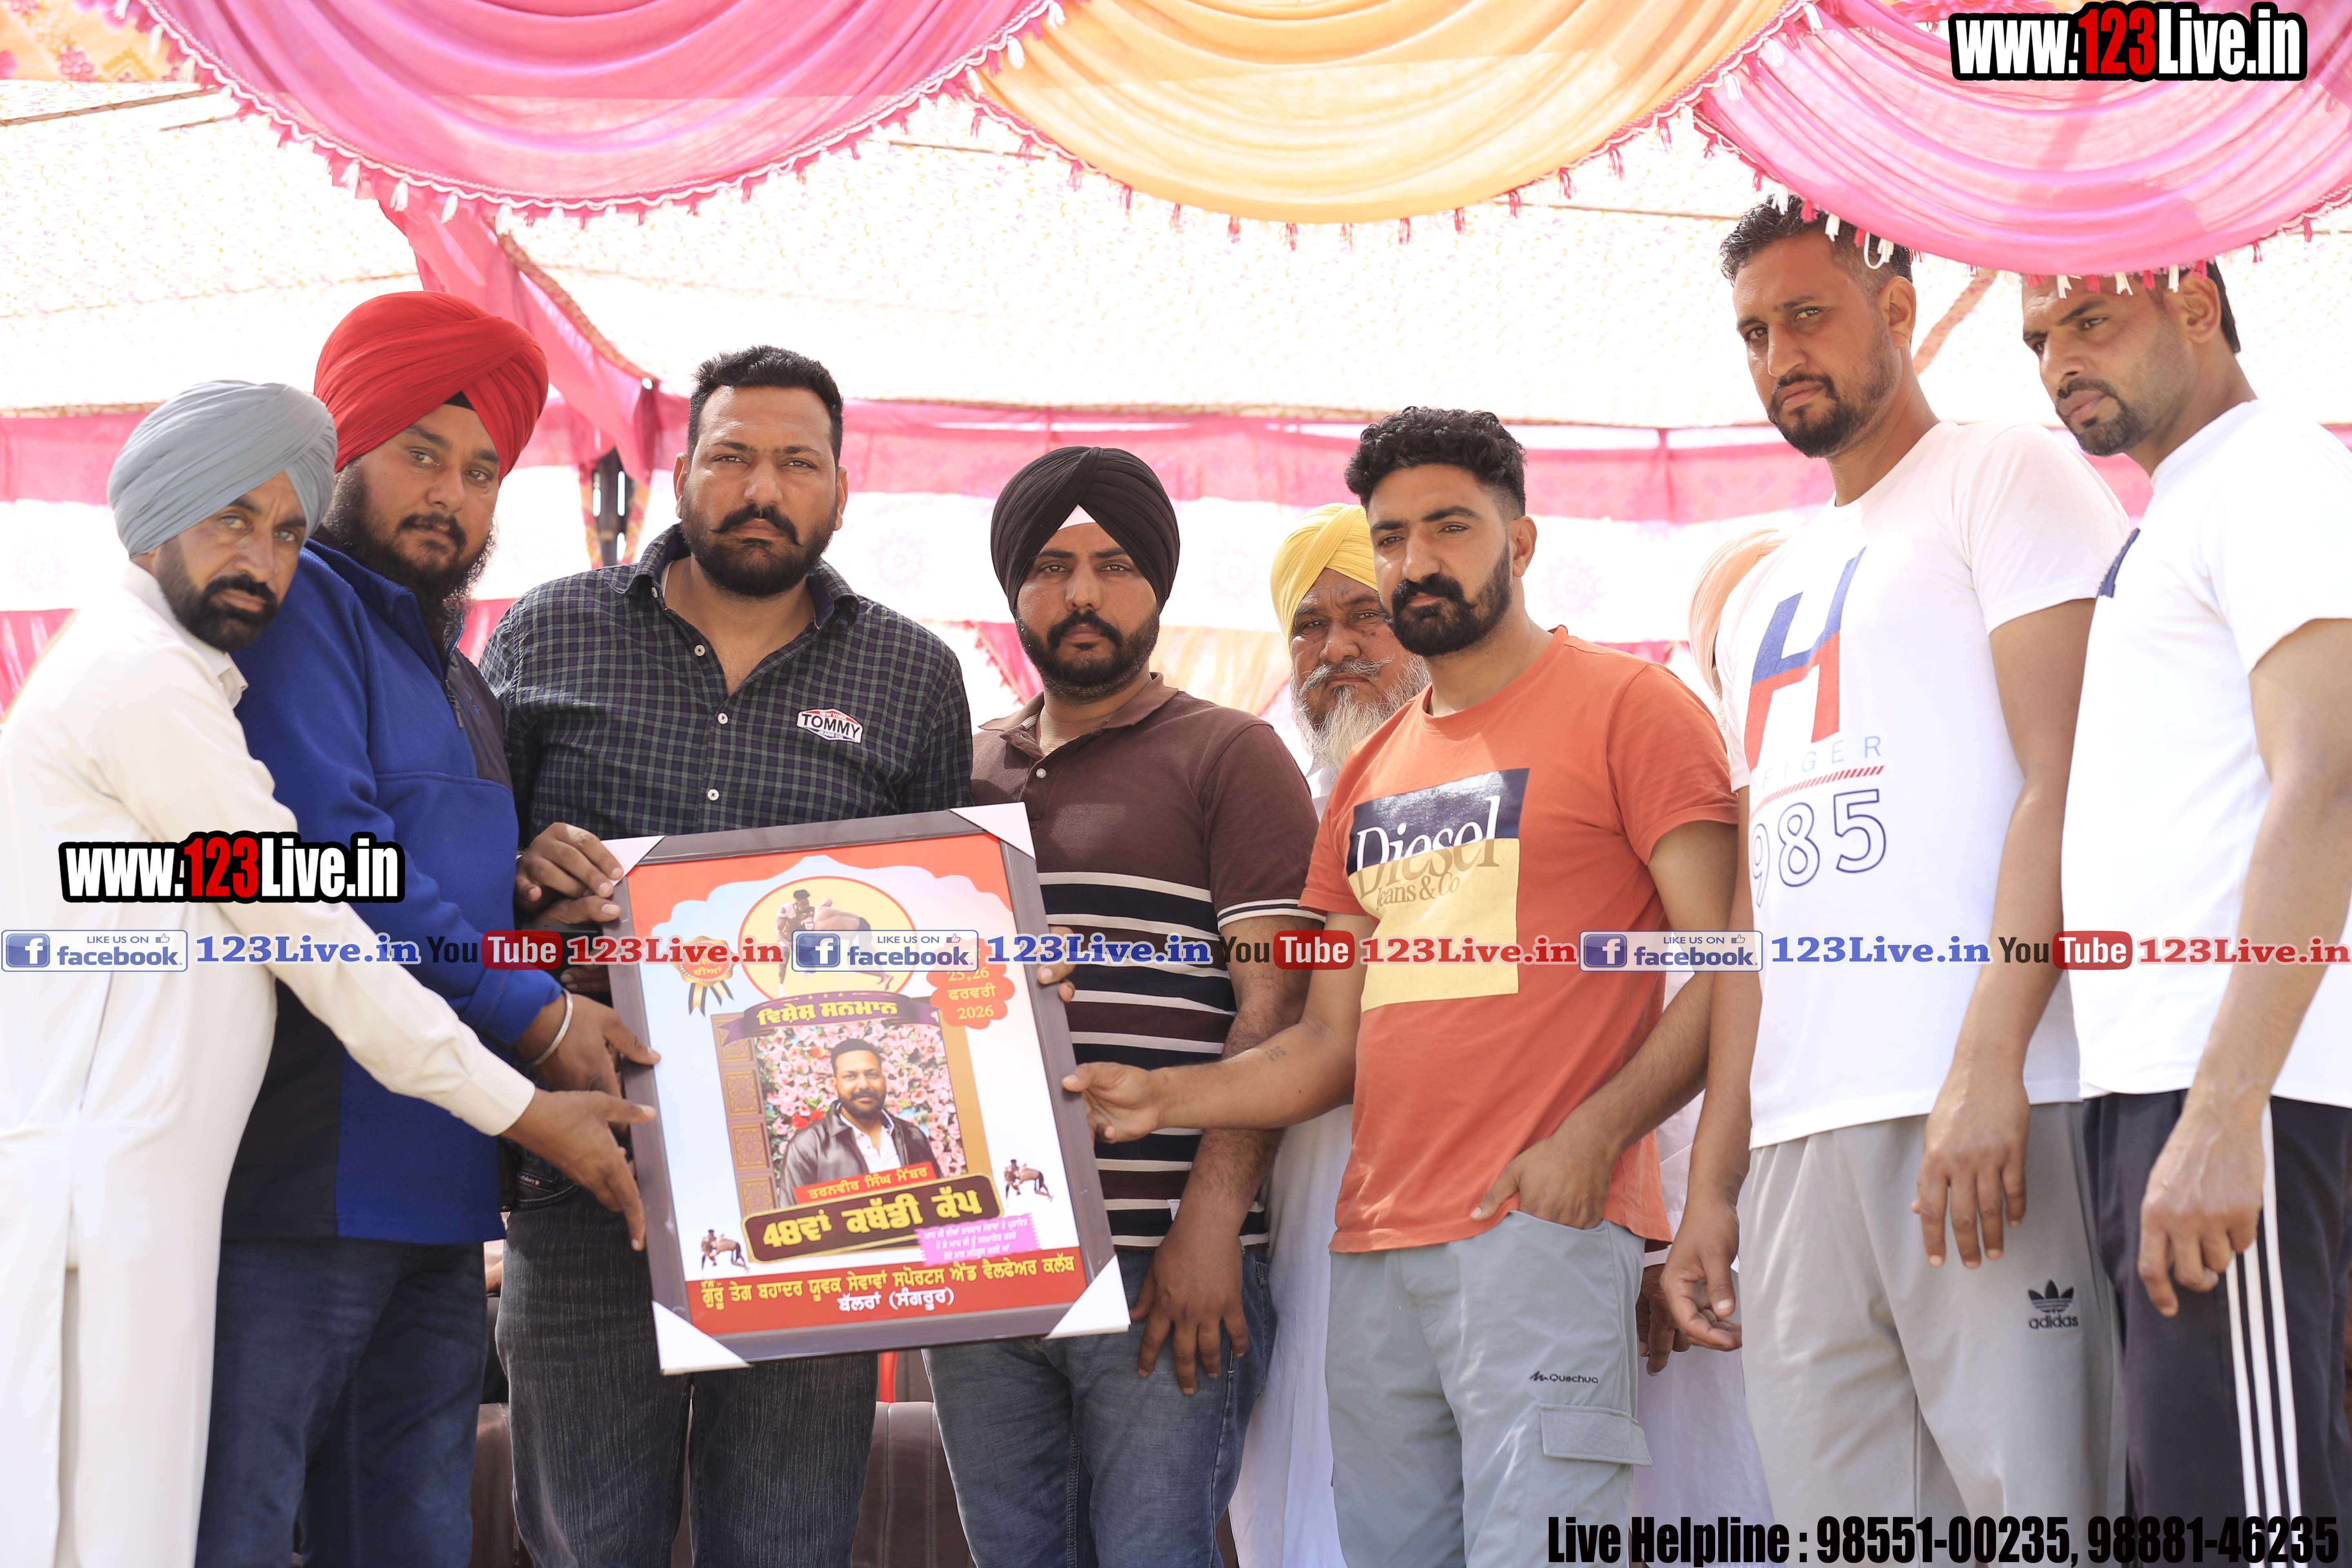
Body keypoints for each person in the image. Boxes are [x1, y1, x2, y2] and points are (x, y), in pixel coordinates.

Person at [1070, 409, 1740, 1566]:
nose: (1417, 561)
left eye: (1449, 528)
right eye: (1391, 537)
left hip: (1539, 1228)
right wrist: (1167, 1096)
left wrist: (1598, 1139)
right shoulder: (1368, 774)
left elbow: (1733, 961)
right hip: (1374, 1250)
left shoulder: (1630, 705)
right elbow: (1327, 1042)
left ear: (1519, 541)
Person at [0, 381, 646, 1568]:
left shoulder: (199, 675)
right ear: (153, 516)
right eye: (230, 519)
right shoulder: (144, 683)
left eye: (287, 531)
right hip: (119, 1199)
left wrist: (515, 886)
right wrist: (528, 1095)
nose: (262, 560)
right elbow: (320, 929)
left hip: (168, 1194)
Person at [1659, 203, 2129, 1523]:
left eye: (1807, 316)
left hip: (1996, 1107)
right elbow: (1757, 904)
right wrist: (1714, 1181)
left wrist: (1990, 1064)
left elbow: (2068, 779)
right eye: (1756, 333)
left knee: (2045, 1524)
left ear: (1901, 311)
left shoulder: (2008, 475)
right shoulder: (1759, 593)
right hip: (1797, 1154)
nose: (1780, 357)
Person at [482, 345, 973, 1566]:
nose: (763, 487)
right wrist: (521, 868)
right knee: (586, 1541)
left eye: (797, 462)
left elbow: (939, 944)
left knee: (786, 1541)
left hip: (818, 1197)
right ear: (682, 474)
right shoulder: (550, 629)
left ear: (841, 491)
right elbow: (467, 886)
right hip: (586, 1164)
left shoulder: (912, 675)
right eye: (733, 456)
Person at [195, 296, 655, 1565]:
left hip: (448, 1190)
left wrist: (523, 889)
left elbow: (433, 879)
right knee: (238, 1526)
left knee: (410, 1536)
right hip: (303, 1185)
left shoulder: (457, 670)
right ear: (339, 448)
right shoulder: (296, 607)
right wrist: (541, 1016)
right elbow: (340, 864)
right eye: (420, 453)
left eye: (482, 471)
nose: (450, 494)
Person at [923, 446, 1319, 1568]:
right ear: (1014, 592)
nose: (1083, 594)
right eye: (1051, 567)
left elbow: (1276, 1009)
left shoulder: (1232, 753)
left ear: (1157, 585)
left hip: (1163, 1260)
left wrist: (1210, 1222)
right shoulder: (958, 771)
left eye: (1114, 566)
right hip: (981, 1258)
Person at [2027, 259, 2352, 1520]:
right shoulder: (2183, 507)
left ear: (2198, 308)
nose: (2059, 360)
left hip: (2233, 1088)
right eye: (2038, 339)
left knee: (2245, 1523)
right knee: (2194, 1508)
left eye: (2090, 320)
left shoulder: (2275, 471)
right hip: (2155, 1084)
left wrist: (2223, 1111)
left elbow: (2330, 780)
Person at [1230, 502, 1426, 1568]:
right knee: (1305, 1488)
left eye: (1366, 616)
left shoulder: (1512, 778)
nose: (1336, 649)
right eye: (1308, 626)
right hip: (1301, 1208)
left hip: (1484, 1210)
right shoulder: (1265, 810)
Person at [781, 1039, 939, 1192]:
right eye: (851, 1076)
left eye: (872, 1075)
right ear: (835, 1085)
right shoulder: (809, 1146)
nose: (864, 1085)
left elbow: (938, 1197)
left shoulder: (912, 1137)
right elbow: (794, 1209)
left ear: (884, 1081)